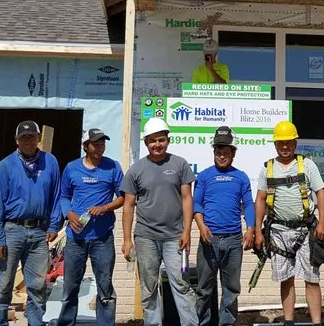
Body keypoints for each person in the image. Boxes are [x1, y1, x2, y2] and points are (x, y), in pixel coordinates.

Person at [121, 117, 199, 326]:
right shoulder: (136, 170)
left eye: (161, 140)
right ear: (146, 142)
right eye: (153, 140)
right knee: (148, 286)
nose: (157, 144)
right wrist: (127, 240)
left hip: (175, 237)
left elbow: (187, 199)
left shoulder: (179, 164)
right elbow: (128, 206)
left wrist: (186, 232)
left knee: (181, 284)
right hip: (145, 237)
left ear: (168, 140)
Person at [253, 121, 324, 326]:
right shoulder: (267, 169)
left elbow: (320, 194)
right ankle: (288, 322)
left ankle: (316, 323)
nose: (284, 146)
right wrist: (258, 232)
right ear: (275, 145)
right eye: (280, 143)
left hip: (306, 230)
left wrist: (322, 223)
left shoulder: (307, 165)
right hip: (278, 231)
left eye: (288, 142)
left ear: (295, 143)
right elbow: (260, 200)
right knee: (286, 279)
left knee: (312, 278)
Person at [0, 120, 62, 326]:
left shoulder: (51, 162)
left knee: (38, 285)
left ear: (38, 139)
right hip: (12, 231)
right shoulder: (5, 166)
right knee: (3, 284)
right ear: (17, 141)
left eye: (32, 137)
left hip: (39, 232)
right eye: (24, 138)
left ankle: (35, 322)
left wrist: (54, 225)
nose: (28, 141)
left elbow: (56, 197)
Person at [54, 128, 125, 326]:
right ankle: (66, 322)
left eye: (102, 143)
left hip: (102, 238)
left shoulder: (113, 167)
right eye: (95, 143)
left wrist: (105, 207)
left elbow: (123, 197)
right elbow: (64, 196)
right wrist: (69, 214)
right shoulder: (72, 168)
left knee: (105, 287)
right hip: (75, 239)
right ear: (86, 146)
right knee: (70, 287)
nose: (100, 147)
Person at [193, 126, 256, 326]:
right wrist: (201, 225)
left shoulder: (242, 177)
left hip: (233, 240)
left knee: (231, 290)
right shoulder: (203, 176)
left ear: (233, 154)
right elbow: (196, 204)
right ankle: (203, 323)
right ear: (214, 153)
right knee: (204, 289)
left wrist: (251, 229)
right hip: (208, 239)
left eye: (225, 152)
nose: (221, 156)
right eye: (218, 152)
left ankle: (227, 323)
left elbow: (249, 204)